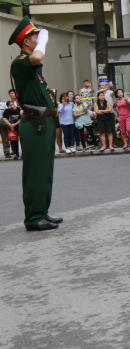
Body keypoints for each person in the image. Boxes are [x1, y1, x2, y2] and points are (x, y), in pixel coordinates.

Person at [9, 17, 60, 231]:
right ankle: (33, 217)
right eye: (35, 36)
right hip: (35, 123)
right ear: (27, 41)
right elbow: (38, 56)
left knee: (45, 171)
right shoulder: (20, 62)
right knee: (35, 172)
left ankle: (42, 212)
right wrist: (44, 41)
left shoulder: (32, 68)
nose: (38, 39)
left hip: (44, 121)